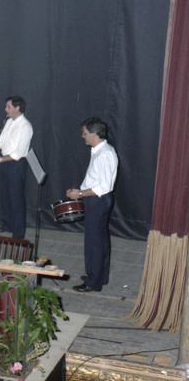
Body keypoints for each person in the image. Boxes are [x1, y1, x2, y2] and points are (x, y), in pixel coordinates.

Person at [67, 117, 119, 293]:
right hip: (98, 200)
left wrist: (80, 194)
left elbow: (103, 187)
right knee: (100, 239)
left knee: (93, 242)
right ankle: (99, 276)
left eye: (85, 133)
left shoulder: (104, 154)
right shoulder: (101, 150)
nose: (83, 136)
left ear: (95, 134)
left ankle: (92, 282)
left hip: (98, 201)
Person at [0, 95, 33, 239]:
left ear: (17, 108)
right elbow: (0, 140)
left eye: (8, 107)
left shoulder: (26, 126)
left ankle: (18, 233)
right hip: (4, 162)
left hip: (16, 164)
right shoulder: (9, 121)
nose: (6, 109)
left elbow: (19, 153)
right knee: (5, 196)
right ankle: (7, 224)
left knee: (16, 199)